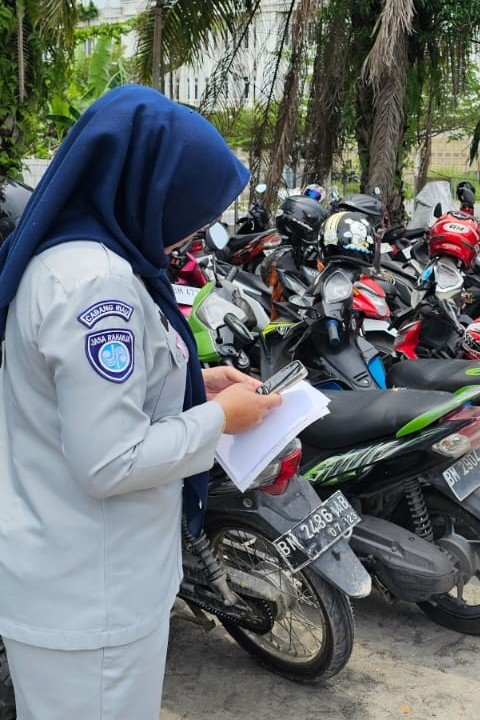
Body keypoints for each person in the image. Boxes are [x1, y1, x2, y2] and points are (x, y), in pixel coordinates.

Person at [0, 86, 281, 720]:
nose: (198, 229)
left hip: (77, 579)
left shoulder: (74, 262)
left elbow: (84, 396)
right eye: (195, 208)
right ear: (151, 189)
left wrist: (196, 384)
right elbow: (109, 460)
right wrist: (220, 420)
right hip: (92, 594)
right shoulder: (97, 286)